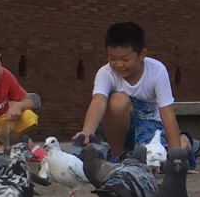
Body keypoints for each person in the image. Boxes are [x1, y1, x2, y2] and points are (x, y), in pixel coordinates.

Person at [77, 21, 187, 160]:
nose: (118, 65)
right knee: (117, 100)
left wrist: (176, 159)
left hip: (151, 130)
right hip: (120, 130)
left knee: (168, 151)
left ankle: (185, 141)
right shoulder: (106, 73)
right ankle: (117, 155)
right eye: (112, 58)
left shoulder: (157, 71)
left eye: (125, 59)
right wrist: (86, 132)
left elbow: (167, 115)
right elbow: (98, 102)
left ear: (142, 55)